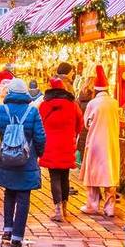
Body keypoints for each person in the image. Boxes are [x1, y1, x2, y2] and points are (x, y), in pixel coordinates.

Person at [0, 79, 46, 247]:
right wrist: (38, 153)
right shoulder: (32, 111)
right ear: (25, 93)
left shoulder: (0, 111)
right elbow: (40, 137)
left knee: (9, 193)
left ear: (9, 93)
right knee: (23, 196)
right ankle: (17, 235)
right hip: (26, 160)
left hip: (6, 159)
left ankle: (7, 228)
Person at [38, 77, 83, 223]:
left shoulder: (44, 105)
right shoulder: (72, 105)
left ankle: (57, 209)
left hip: (50, 145)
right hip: (66, 144)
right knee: (65, 176)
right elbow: (80, 124)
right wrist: (72, 134)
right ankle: (64, 207)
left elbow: (40, 124)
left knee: (54, 176)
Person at [79, 65, 121, 217]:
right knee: (109, 174)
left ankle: (92, 204)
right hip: (111, 142)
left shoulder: (93, 103)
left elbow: (86, 123)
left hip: (96, 141)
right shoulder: (114, 103)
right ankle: (110, 207)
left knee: (93, 174)